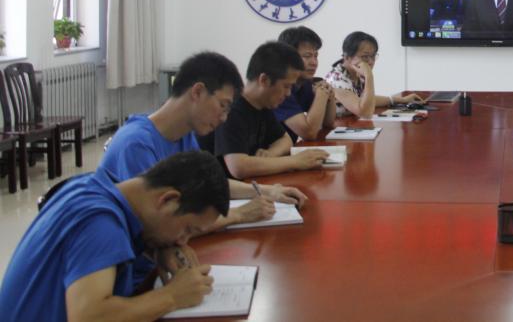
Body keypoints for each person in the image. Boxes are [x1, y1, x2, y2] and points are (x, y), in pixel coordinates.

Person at [99, 51, 307, 286]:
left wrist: (267, 191)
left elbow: (208, 186)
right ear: (197, 92)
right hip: (131, 276)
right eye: (223, 106)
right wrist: (239, 214)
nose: (224, 118)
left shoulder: (184, 135)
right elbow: (162, 224)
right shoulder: (136, 144)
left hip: (160, 266)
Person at [0, 151, 229, 322]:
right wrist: (173, 296)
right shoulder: (101, 223)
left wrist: (158, 247)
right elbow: (88, 317)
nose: (183, 242)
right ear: (168, 200)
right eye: (187, 229)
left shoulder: (98, 185)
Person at [201, 41, 330, 179]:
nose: (288, 94)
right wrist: (295, 161)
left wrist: (270, 154)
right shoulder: (231, 108)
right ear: (264, 80)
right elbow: (238, 167)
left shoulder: (263, 104)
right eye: (286, 86)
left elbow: (285, 139)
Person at [325, 31, 423, 118]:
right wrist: (369, 76)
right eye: (365, 56)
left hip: (350, 124)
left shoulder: (356, 73)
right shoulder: (336, 79)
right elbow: (365, 113)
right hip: (334, 129)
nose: (371, 61)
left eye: (373, 56)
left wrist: (401, 100)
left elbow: (367, 100)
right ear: (347, 57)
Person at [274, 26, 336, 141]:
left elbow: (328, 123)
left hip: (289, 149)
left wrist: (329, 94)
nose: (314, 62)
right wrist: (321, 95)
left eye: (316, 56)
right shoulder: (279, 88)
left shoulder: (305, 83)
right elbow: (309, 133)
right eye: (307, 56)